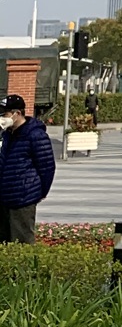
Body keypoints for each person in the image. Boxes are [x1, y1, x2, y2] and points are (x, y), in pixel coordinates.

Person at [0, 91, 55, 242]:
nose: (2, 118)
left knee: (22, 240)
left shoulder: (35, 135)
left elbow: (47, 168)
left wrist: (38, 192)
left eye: (5, 114)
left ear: (17, 113)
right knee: (4, 242)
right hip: (5, 197)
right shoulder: (7, 134)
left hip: (23, 197)